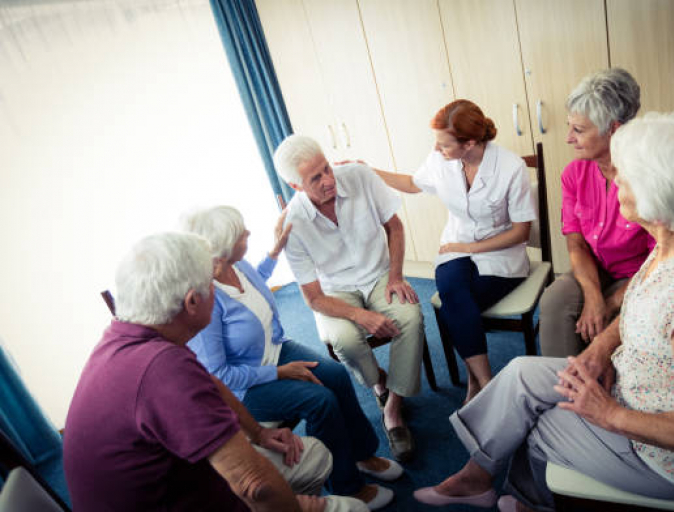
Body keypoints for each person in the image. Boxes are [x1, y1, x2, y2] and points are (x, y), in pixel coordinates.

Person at [413, 110, 674, 511]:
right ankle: (477, 479)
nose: (613, 179)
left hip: (669, 461)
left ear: (660, 203)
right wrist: (599, 349)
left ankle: (531, 501)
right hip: (637, 383)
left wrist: (610, 415)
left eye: (625, 174)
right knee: (518, 374)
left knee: (535, 427)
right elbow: (643, 298)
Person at [63, 232, 368, 511]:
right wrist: (300, 507)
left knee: (310, 453)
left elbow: (210, 381)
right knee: (347, 501)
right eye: (212, 283)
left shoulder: (127, 336)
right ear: (193, 302)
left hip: (171, 486)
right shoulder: (164, 369)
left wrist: (259, 432)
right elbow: (254, 484)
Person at [181, 205, 400, 510]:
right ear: (221, 251)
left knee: (335, 375)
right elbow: (220, 374)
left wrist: (274, 253)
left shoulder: (236, 265)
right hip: (244, 387)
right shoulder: (206, 299)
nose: (247, 234)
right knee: (320, 401)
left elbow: (254, 284)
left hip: (274, 350)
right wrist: (280, 373)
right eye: (241, 233)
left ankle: (362, 454)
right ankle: (346, 486)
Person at [365, 99, 536, 403]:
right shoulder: (441, 159)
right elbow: (412, 183)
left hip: (501, 254)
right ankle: (487, 383)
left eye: (444, 144)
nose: (436, 149)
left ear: (469, 143)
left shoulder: (511, 168)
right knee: (453, 293)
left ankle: (475, 383)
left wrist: (470, 247)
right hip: (455, 247)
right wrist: (368, 172)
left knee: (453, 307)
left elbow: (520, 231)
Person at [273, 134, 424, 463]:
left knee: (411, 317)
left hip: (380, 273)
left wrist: (396, 275)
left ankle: (393, 410)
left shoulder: (359, 176)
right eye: (316, 178)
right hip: (334, 291)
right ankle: (380, 382)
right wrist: (361, 317)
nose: (329, 180)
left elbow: (395, 228)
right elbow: (313, 298)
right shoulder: (292, 225)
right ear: (296, 186)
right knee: (345, 340)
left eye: (326, 168)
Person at [538, 67, 655, 357]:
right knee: (555, 299)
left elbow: (662, 260)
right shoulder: (573, 174)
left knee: (616, 318)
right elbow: (576, 242)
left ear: (613, 129)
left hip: (643, 277)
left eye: (578, 130)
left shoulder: (649, 176)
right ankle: (562, 390)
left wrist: (612, 301)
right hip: (596, 269)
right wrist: (593, 297)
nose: (568, 138)